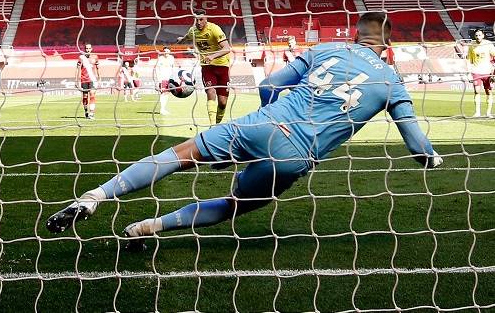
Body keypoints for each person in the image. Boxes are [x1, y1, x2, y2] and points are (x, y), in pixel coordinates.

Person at [46, 12, 443, 242]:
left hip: (258, 124)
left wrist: (268, 121)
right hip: (294, 157)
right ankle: (151, 227)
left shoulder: (325, 49)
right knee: (234, 206)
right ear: (386, 46)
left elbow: (269, 84)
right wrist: (432, 160)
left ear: (355, 34)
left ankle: (94, 196)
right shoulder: (392, 82)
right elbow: (417, 144)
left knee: (177, 156)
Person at [177, 9, 232, 124]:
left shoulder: (215, 29)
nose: (199, 22)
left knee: (222, 102)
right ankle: (213, 126)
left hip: (222, 66)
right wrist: (181, 40)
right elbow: (187, 37)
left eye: (201, 19)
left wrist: (213, 56)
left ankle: (217, 123)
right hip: (207, 67)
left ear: (206, 18)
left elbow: (227, 48)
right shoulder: (193, 31)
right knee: (210, 92)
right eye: (196, 20)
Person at [467, 29, 495, 117]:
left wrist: (493, 71)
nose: (478, 37)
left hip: (487, 71)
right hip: (476, 71)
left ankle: (488, 113)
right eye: (476, 35)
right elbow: (469, 59)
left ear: (483, 35)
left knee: (489, 91)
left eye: (479, 35)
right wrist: (468, 72)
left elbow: (494, 56)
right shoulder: (472, 45)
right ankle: (477, 112)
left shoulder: (489, 44)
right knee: (477, 91)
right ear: (474, 36)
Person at [76, 43, 100, 119]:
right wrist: (77, 81)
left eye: (89, 48)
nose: (88, 50)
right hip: (84, 80)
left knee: (92, 95)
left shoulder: (95, 57)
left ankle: (91, 113)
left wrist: (99, 77)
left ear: (91, 49)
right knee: (85, 96)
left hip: (93, 80)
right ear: (84, 49)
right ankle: (86, 111)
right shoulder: (81, 57)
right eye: (86, 48)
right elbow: (78, 69)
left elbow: (97, 68)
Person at [155, 47, 176, 115]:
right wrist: (158, 79)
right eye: (165, 51)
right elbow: (157, 69)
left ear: (169, 52)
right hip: (162, 78)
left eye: (167, 51)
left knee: (167, 94)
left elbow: (173, 68)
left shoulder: (172, 58)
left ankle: (163, 108)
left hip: (169, 78)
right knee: (163, 93)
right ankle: (162, 109)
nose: (166, 52)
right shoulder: (160, 58)